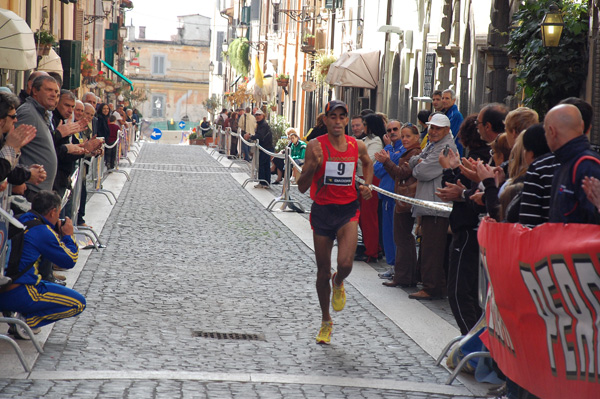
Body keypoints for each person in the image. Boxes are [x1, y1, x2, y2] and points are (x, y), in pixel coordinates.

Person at [296, 100, 374, 345]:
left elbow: (368, 162)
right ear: (326, 120)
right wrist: (313, 166)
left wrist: (367, 184)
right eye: (333, 117)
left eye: (342, 117)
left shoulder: (356, 144)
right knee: (321, 270)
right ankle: (325, 321)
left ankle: (338, 280)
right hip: (322, 211)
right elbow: (301, 186)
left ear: (347, 120)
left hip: (347, 210)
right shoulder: (314, 146)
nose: (338, 121)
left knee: (346, 264)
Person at [0, 190, 85, 339]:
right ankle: (25, 323)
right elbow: (69, 260)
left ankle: (16, 317)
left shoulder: (20, 219)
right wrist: (68, 236)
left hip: (5, 287)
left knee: (42, 281)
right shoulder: (43, 231)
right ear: (53, 212)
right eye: (58, 213)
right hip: (19, 291)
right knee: (78, 303)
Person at [437, 114, 490, 334]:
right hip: (473, 229)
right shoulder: (478, 157)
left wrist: (449, 170)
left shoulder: (479, 158)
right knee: (472, 292)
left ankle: (472, 343)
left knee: (459, 291)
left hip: (469, 230)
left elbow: (455, 190)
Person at [408, 113, 456, 300]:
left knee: (432, 250)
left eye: (437, 128)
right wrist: (418, 162)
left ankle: (432, 287)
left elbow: (421, 171)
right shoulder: (433, 145)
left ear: (446, 130)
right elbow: (416, 161)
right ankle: (431, 284)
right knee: (428, 247)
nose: (433, 131)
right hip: (430, 203)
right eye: (431, 127)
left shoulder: (444, 147)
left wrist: (418, 163)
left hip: (437, 205)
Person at [375, 123, 422, 288]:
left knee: (402, 238)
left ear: (417, 137)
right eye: (403, 136)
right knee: (401, 237)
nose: (404, 139)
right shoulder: (410, 152)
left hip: (406, 198)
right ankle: (405, 275)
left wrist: (387, 161)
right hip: (401, 197)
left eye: (408, 136)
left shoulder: (414, 152)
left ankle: (403, 276)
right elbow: (378, 169)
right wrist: (387, 162)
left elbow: (401, 173)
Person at [545, 104, 600, 224]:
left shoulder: (586, 165)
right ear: (582, 126)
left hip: (582, 242)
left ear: (552, 131)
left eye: (545, 131)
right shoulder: (567, 162)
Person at [15, 75, 60, 199]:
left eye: (56, 91)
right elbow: (11, 145)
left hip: (39, 190)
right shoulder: (28, 112)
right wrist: (18, 180)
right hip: (29, 189)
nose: (54, 94)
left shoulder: (40, 113)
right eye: (48, 90)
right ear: (35, 91)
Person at [372, 115, 404, 275]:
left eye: (395, 129)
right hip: (385, 195)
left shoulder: (403, 149)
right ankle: (392, 265)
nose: (392, 132)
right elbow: (376, 170)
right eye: (389, 130)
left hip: (396, 195)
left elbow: (395, 164)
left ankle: (398, 265)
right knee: (387, 232)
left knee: (395, 233)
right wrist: (388, 159)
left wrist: (388, 154)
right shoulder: (388, 150)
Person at [354, 116, 384, 263]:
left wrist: (353, 152)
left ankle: (372, 251)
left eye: (365, 124)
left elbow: (369, 160)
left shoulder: (376, 141)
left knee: (369, 217)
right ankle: (372, 246)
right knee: (363, 217)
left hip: (369, 179)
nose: (362, 127)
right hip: (360, 179)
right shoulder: (364, 141)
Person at [244, 109, 273, 188]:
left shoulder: (263, 124)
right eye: (256, 115)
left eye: (259, 115)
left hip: (266, 147)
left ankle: (263, 182)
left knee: (263, 165)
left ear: (263, 116)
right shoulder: (260, 124)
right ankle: (265, 182)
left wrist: (250, 136)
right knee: (265, 165)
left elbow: (260, 136)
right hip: (264, 147)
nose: (257, 116)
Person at [441, 89, 464, 156]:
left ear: (453, 100)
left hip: (452, 153)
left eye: (447, 98)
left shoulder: (455, 115)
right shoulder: (447, 113)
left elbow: (449, 135)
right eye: (443, 98)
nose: (444, 101)